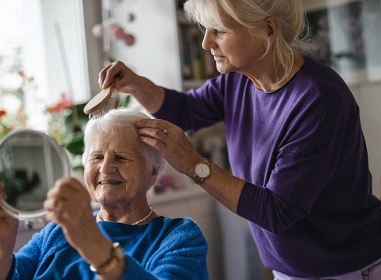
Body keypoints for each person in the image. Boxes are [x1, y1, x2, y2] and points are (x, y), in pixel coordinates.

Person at [98, 0, 381, 279]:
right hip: (293, 269)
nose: (206, 43)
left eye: (219, 30)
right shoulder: (238, 80)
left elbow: (277, 211)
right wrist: (136, 83)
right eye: (205, 29)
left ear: (268, 30)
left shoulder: (318, 99)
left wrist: (192, 164)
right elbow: (186, 111)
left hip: (349, 268)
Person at [0, 108, 209, 279]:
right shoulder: (56, 231)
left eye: (121, 157)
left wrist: (92, 243)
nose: (105, 168)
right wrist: (1, 244)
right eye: (96, 158)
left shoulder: (178, 237)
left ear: (152, 172)